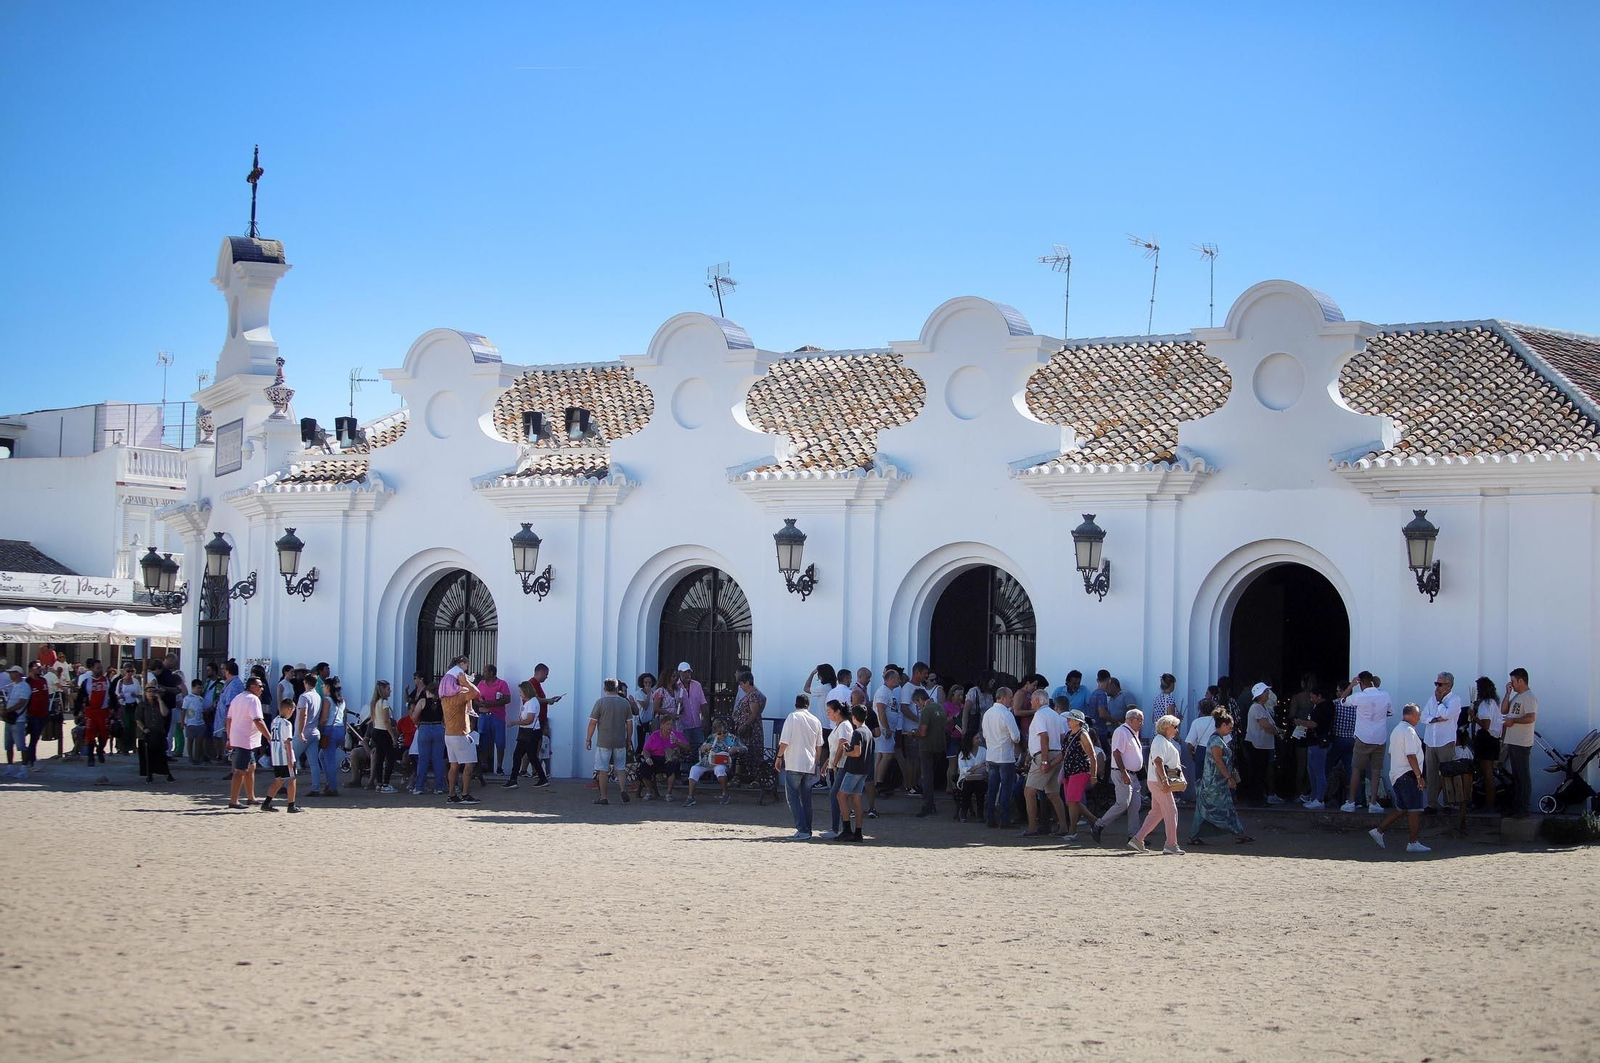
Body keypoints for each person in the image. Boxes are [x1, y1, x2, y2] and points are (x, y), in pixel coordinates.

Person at [1369, 703, 1430, 853]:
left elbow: (1391, 753)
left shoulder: (1397, 730)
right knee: (1414, 809)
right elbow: (1411, 755)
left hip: (1397, 775)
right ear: (1411, 715)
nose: (1419, 718)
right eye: (1418, 715)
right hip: (1407, 775)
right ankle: (1413, 842)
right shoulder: (1409, 731)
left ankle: (1379, 830)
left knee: (1403, 809)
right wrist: (1418, 776)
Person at [1188, 711, 1253, 845]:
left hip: (1215, 782)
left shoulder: (1217, 740)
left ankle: (1238, 834)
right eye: (1230, 727)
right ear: (1223, 725)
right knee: (1220, 809)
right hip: (1214, 783)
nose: (1231, 729)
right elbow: (1218, 761)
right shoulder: (1216, 741)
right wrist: (1229, 777)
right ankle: (1238, 833)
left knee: (1207, 809)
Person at [1131, 714, 1186, 854]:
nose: (1176, 730)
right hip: (1158, 782)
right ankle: (1171, 844)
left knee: (1157, 812)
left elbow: (1160, 761)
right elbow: (1158, 761)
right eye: (1174, 727)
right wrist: (1165, 781)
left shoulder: (1162, 741)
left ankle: (1138, 839)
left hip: (1156, 781)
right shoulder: (1160, 740)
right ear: (1167, 727)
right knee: (1171, 811)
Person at [1339, 672, 1392, 813]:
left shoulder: (1359, 697)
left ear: (1361, 682)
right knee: (1376, 771)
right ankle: (1373, 803)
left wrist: (1351, 685)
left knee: (1356, 769)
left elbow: (1342, 700)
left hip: (1363, 737)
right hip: (1380, 738)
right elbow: (1390, 712)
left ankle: (1351, 801)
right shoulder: (1385, 695)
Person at [1091, 708, 1146, 844]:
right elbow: (1116, 753)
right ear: (1131, 719)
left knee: (1135, 805)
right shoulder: (1122, 732)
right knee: (1122, 803)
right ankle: (1099, 824)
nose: (1141, 723)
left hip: (1132, 774)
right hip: (1123, 773)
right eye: (1139, 720)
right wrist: (1124, 772)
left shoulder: (1132, 732)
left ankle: (1133, 835)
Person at [775, 694, 824, 840]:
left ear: (796, 704)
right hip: (809, 764)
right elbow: (819, 746)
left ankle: (802, 829)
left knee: (793, 797)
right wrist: (816, 761)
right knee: (806, 799)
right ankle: (807, 829)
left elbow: (784, 741)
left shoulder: (792, 717)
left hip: (794, 762)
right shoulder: (816, 720)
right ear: (808, 705)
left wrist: (779, 757)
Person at [585, 678, 634, 806]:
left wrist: (588, 738)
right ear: (617, 688)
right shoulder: (625, 703)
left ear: (605, 689)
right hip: (620, 741)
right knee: (620, 768)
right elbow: (629, 724)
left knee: (602, 770)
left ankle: (604, 796)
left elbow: (592, 723)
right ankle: (623, 790)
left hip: (604, 741)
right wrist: (629, 739)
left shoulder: (600, 703)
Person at [226, 676, 272, 808]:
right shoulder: (253, 699)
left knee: (251, 768)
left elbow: (228, 719)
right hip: (245, 739)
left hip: (242, 738)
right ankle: (234, 801)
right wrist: (269, 737)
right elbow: (258, 720)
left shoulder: (238, 697)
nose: (262, 689)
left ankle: (251, 797)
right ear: (252, 686)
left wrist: (229, 737)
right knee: (240, 770)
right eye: (260, 686)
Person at [440, 662, 481, 804]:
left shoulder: (444, 697)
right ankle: (465, 794)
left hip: (449, 734)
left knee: (454, 765)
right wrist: (466, 683)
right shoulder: (459, 695)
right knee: (469, 765)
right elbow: (476, 693)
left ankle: (451, 795)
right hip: (460, 734)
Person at [1422, 672, 1463, 811]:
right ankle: (1431, 803)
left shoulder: (1455, 700)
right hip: (1430, 741)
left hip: (1445, 741)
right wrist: (1434, 719)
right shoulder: (1431, 699)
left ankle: (1449, 803)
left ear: (1448, 685)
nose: (1437, 687)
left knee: (1447, 772)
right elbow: (1423, 716)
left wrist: (1439, 703)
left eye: (1439, 684)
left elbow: (1446, 714)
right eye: (1436, 684)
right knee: (1431, 774)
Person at [981, 690, 1021, 829]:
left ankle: (990, 817)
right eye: (1010, 697)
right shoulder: (1006, 714)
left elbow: (985, 735)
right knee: (1006, 788)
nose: (1011, 700)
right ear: (1003, 698)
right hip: (1005, 756)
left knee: (992, 788)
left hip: (992, 755)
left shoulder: (987, 713)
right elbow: (1016, 737)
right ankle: (1004, 819)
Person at [1501, 668, 1538, 817]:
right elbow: (1504, 710)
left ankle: (1524, 807)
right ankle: (1516, 806)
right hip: (1512, 741)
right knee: (1515, 776)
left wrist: (1513, 721)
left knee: (1523, 776)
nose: (1512, 684)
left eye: (1513, 681)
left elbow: (1531, 717)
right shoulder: (1517, 696)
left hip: (1522, 743)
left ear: (1521, 680)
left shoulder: (1529, 697)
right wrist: (1508, 693)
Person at [685, 718, 743, 807]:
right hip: (708, 761)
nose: (722, 735)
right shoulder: (711, 737)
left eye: (724, 732)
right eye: (719, 733)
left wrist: (736, 749)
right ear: (715, 732)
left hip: (722, 762)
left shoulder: (731, 738)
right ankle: (690, 797)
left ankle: (725, 794)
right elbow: (701, 748)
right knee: (694, 769)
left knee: (719, 769)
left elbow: (745, 748)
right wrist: (704, 747)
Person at [505, 678, 551, 789]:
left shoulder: (532, 703)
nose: (520, 694)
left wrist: (514, 723)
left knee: (519, 755)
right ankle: (542, 777)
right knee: (530, 756)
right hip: (526, 732)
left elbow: (529, 720)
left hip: (529, 732)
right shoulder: (530, 702)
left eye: (521, 692)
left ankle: (513, 779)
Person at [1243, 682, 1284, 805]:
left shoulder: (1262, 707)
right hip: (1258, 746)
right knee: (1258, 773)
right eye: (1266, 691)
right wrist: (1277, 732)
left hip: (1262, 745)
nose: (1268, 694)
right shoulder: (1256, 708)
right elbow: (1265, 725)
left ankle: (1258, 797)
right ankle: (1256, 799)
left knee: (1260, 772)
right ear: (1260, 694)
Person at [1059, 708, 1097, 840]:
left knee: (1072, 800)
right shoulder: (1070, 734)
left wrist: (1093, 775)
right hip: (1069, 771)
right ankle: (1094, 820)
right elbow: (1063, 754)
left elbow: (1092, 755)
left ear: (1077, 721)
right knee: (1071, 801)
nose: (1068, 721)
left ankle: (1073, 831)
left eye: (1070, 719)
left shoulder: (1083, 734)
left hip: (1080, 770)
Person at [259, 698, 303, 813]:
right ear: (288, 709)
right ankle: (291, 805)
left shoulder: (274, 721)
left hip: (276, 756)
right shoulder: (286, 724)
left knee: (278, 780)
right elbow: (288, 741)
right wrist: (290, 758)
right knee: (292, 779)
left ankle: (266, 803)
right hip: (284, 756)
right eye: (292, 711)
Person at [834, 705, 870, 842]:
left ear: (854, 717)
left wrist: (846, 752)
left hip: (854, 769)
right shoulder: (868, 732)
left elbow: (856, 752)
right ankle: (858, 832)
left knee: (841, 796)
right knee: (856, 799)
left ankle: (847, 829)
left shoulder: (858, 732)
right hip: (864, 769)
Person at [410, 678, 447, 796]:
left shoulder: (422, 701)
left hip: (425, 728)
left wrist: (417, 724)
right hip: (438, 728)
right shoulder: (442, 701)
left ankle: (419, 787)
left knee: (423, 760)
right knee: (438, 760)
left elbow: (414, 716)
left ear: (427, 691)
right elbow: (445, 718)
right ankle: (439, 787)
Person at [639, 715, 690, 801]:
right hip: (655, 758)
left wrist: (678, 741)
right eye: (667, 724)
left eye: (671, 724)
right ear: (662, 725)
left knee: (672, 767)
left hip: (669, 758)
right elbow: (645, 749)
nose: (670, 727)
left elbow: (688, 748)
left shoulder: (676, 734)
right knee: (644, 767)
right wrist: (647, 758)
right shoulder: (655, 735)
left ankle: (668, 793)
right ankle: (649, 791)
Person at [1298, 688, 1334, 809]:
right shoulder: (1329, 706)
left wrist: (1300, 722)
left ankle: (1319, 799)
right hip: (1315, 742)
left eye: (1312, 696)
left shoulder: (1322, 708)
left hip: (1318, 742)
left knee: (1318, 771)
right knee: (1312, 770)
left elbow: (1314, 724)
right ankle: (1314, 797)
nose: (1311, 699)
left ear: (1319, 696)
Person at [914, 688, 947, 817]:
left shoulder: (926, 711)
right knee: (931, 776)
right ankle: (931, 803)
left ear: (920, 700)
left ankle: (927, 805)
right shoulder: (940, 707)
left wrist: (913, 734)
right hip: (939, 746)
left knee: (926, 777)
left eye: (917, 704)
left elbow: (923, 732)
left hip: (926, 747)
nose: (918, 706)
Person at [871, 666, 903, 800]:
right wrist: (886, 728)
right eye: (897, 678)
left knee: (880, 756)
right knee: (887, 755)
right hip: (885, 730)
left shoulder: (889, 692)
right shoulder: (883, 692)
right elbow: (880, 709)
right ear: (890, 679)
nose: (899, 681)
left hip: (888, 729)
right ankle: (879, 783)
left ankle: (876, 782)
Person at [1471, 677, 1502, 811]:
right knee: (1487, 773)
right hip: (1493, 739)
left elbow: (1486, 724)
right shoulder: (1494, 703)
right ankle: (1488, 802)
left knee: (1487, 773)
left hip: (1486, 739)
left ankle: (1489, 804)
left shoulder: (1485, 704)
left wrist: (1473, 717)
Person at [475, 664, 511, 777]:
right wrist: (480, 704)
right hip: (484, 716)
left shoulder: (502, 684)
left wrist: (491, 704)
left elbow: (507, 699)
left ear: (491, 673)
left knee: (500, 742)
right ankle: (484, 764)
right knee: (483, 741)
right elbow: (475, 698)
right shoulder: (481, 684)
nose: (483, 673)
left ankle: (499, 766)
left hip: (498, 717)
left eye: (485, 671)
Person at [366, 680, 399, 793]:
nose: (390, 691)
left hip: (376, 731)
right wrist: (393, 737)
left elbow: (375, 720)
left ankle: (379, 783)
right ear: (383, 690)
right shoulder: (384, 703)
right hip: (384, 732)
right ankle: (386, 783)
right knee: (390, 758)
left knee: (379, 758)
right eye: (388, 689)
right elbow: (386, 721)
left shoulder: (374, 703)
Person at [318, 677, 349, 797]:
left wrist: (319, 730)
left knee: (329, 760)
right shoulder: (342, 701)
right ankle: (329, 782)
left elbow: (324, 718)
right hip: (340, 729)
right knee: (322, 756)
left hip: (329, 730)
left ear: (328, 687)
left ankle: (332, 786)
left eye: (324, 686)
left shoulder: (327, 700)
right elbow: (345, 718)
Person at [136, 684, 173, 783]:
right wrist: (144, 729)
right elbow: (138, 719)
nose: (151, 694)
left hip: (158, 733)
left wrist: (160, 700)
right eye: (149, 692)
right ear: (145, 693)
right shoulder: (142, 705)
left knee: (161, 755)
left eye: (153, 691)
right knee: (147, 756)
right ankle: (149, 774)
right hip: (146, 734)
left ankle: (166, 773)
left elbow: (165, 713)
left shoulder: (159, 703)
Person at [668, 663, 707, 753]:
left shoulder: (697, 685)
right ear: (679, 673)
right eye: (685, 672)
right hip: (683, 726)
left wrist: (705, 719)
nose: (687, 674)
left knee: (700, 749)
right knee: (685, 751)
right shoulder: (675, 687)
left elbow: (703, 702)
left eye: (689, 672)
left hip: (697, 724)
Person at [80, 659, 111, 768]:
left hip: (103, 711)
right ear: (92, 669)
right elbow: (81, 697)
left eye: (101, 668)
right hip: (91, 712)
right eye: (98, 668)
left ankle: (100, 749)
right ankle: (90, 757)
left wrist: (115, 709)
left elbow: (111, 695)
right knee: (90, 735)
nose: (100, 670)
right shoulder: (87, 682)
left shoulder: (107, 680)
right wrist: (77, 712)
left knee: (105, 734)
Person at [953, 728, 988, 822]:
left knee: (980, 787)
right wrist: (978, 766)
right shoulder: (963, 754)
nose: (979, 740)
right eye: (977, 738)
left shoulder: (983, 750)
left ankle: (980, 814)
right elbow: (964, 770)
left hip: (980, 778)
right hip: (966, 779)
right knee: (968, 786)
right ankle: (964, 812)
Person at [3, 664, 30, 776]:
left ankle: (24, 769)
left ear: (18, 673)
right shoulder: (13, 686)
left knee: (21, 745)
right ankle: (10, 767)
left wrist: (7, 711)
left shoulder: (24, 686)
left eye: (12, 672)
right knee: (8, 745)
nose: (10, 674)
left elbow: (22, 703)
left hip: (19, 719)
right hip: (10, 719)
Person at [181, 679, 207, 765]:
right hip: (191, 723)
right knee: (190, 740)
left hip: (200, 723)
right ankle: (190, 757)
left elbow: (202, 710)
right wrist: (182, 722)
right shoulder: (187, 698)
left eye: (200, 688)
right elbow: (183, 710)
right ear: (193, 687)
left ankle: (198, 757)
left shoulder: (201, 699)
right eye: (198, 688)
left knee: (199, 741)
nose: (199, 690)